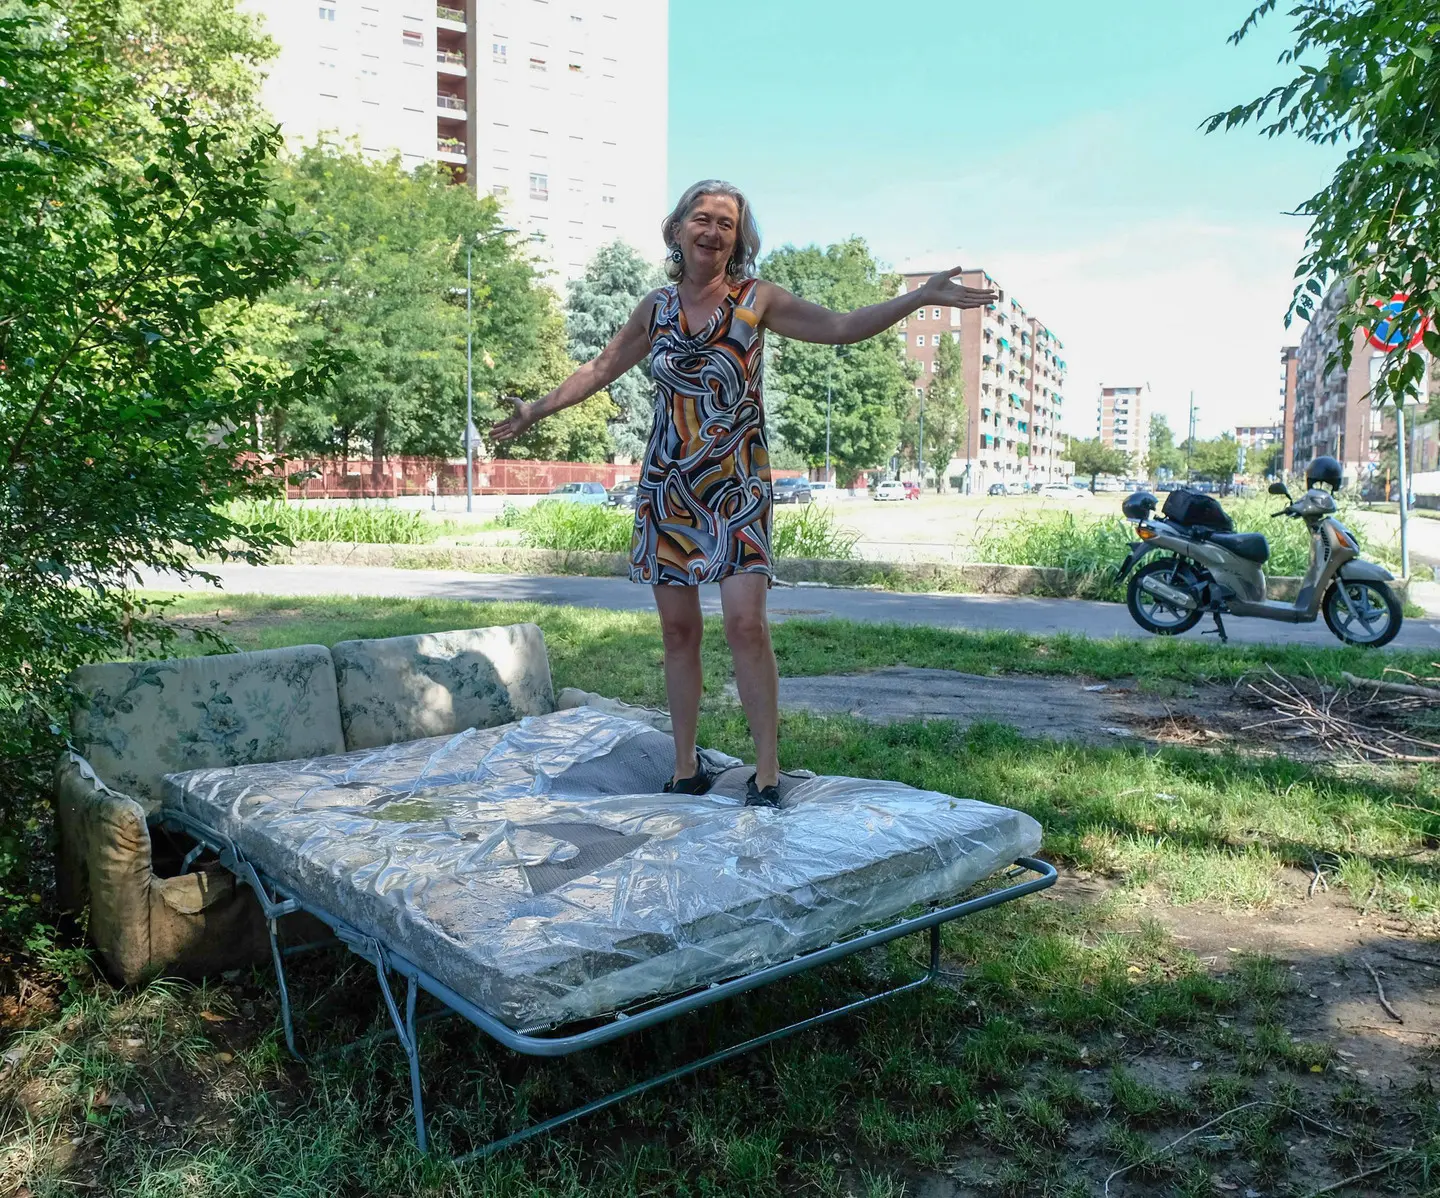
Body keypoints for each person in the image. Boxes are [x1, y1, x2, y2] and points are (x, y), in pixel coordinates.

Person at [490, 180, 995, 807]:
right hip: (669, 487)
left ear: (739, 240)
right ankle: (684, 768)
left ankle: (766, 773)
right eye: (700, 219)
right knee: (678, 632)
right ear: (677, 230)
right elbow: (600, 368)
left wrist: (918, 297)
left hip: (737, 489)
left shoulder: (757, 300)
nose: (712, 231)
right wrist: (533, 412)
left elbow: (840, 327)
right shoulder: (656, 309)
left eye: (725, 223)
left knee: (746, 624)